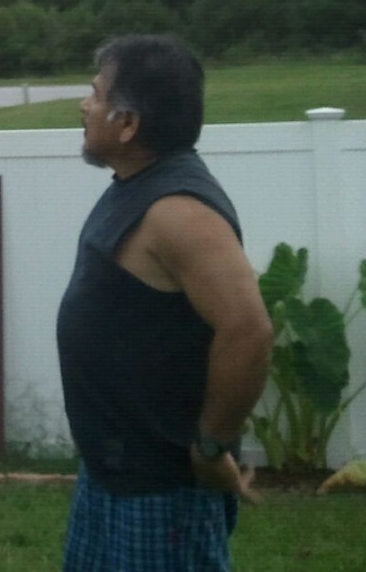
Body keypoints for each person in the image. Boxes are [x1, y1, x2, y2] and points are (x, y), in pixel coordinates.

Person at [57, 34, 273, 571]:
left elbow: (249, 332)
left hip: (160, 491)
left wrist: (210, 447)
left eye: (95, 94)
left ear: (127, 123)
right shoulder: (136, 185)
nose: (84, 105)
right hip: (113, 475)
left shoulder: (180, 210)